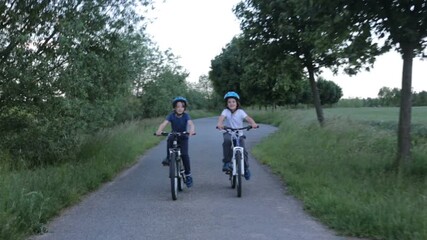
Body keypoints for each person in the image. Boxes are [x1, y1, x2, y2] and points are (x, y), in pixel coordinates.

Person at [216, 91, 258, 180]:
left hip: (239, 133)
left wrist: (253, 123)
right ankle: (227, 162)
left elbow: (248, 118)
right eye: (229, 102)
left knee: (244, 150)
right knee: (227, 141)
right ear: (227, 104)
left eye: (233, 101)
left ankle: (246, 168)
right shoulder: (226, 111)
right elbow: (221, 118)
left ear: (237, 103)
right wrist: (219, 124)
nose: (231, 103)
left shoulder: (240, 112)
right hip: (228, 132)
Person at [156, 96, 196, 188]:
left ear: (184, 108)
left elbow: (191, 124)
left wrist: (192, 130)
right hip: (174, 135)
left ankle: (188, 175)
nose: (180, 108)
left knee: (184, 155)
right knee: (169, 138)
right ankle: (168, 157)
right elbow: (164, 123)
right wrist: (159, 130)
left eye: (182, 106)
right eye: (177, 106)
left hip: (183, 136)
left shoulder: (186, 116)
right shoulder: (171, 115)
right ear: (174, 108)